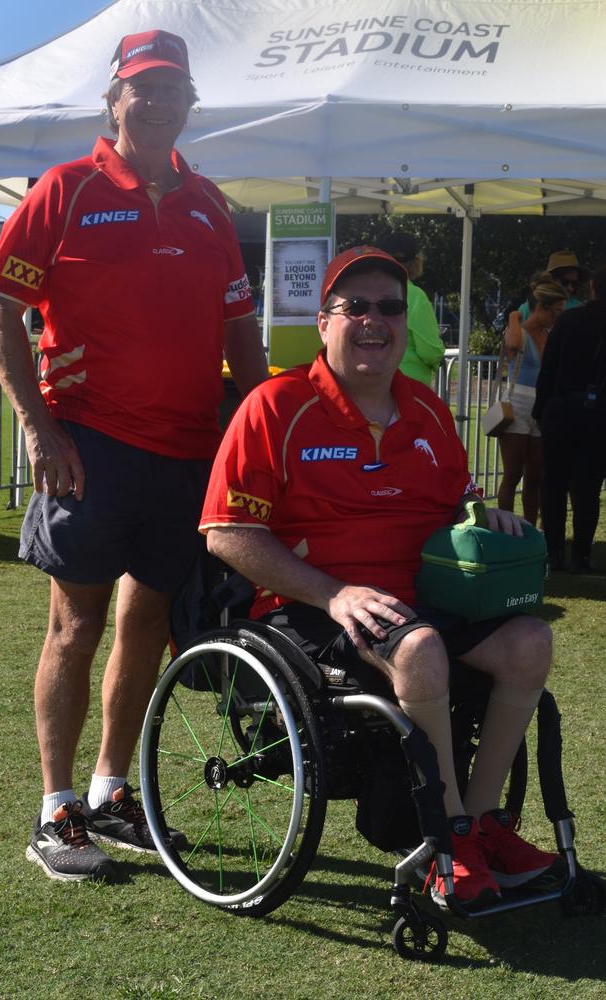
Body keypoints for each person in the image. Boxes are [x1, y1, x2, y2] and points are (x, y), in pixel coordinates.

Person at [0, 29, 269, 883]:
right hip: (91, 449)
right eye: (142, 88)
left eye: (173, 87)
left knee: (149, 625)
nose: (158, 101)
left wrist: (250, 437)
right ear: (114, 100)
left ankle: (111, 791)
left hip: (185, 454)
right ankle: (56, 809)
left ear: (188, 104)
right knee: (76, 625)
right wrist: (40, 427)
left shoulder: (211, 203)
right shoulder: (64, 190)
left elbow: (240, 333)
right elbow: (0, 309)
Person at [199, 246, 563, 911]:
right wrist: (333, 592)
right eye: (355, 306)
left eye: (390, 307)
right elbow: (226, 533)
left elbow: (460, 503)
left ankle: (479, 826)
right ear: (324, 322)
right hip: (310, 609)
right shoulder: (275, 407)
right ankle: (444, 840)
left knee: (529, 640)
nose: (375, 320)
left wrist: (489, 519)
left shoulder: (425, 411)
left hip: (422, 601)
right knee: (418, 646)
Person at [533, 265, 606, 572]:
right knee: (589, 485)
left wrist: (541, 409)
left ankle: (554, 552)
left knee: (555, 483)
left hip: (562, 409)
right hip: (601, 412)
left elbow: (548, 370)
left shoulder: (569, 321)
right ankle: (582, 555)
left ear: (592, 288)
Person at [496, 274, 567, 526]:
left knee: (535, 474)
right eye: (555, 311)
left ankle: (529, 527)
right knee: (513, 473)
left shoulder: (550, 335)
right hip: (516, 405)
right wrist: (515, 316)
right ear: (540, 307)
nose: (558, 316)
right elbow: (512, 343)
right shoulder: (521, 331)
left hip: (541, 408)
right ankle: (505, 528)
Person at [375, 231, 445, 386]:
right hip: (409, 387)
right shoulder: (414, 296)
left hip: (371, 386)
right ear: (416, 261)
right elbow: (430, 352)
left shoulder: (364, 292)